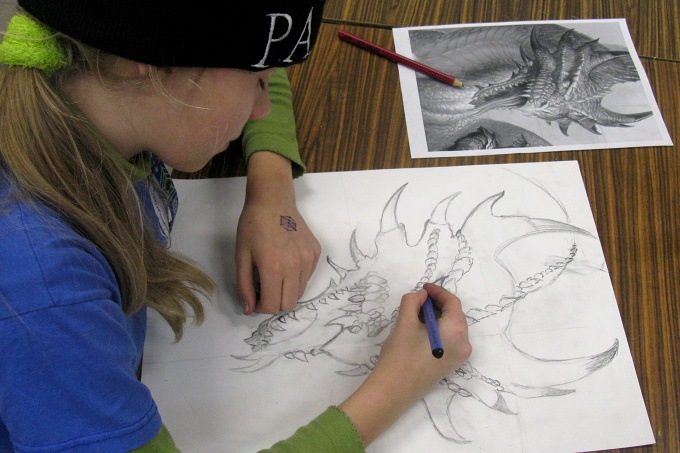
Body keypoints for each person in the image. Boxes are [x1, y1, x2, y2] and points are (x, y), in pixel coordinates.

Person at [0, 1, 472, 452]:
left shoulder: (89, 84)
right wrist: (397, 384)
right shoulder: (46, 295)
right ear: (142, 59)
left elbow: (250, 53)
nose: (263, 108)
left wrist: (271, 191)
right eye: (257, 82)